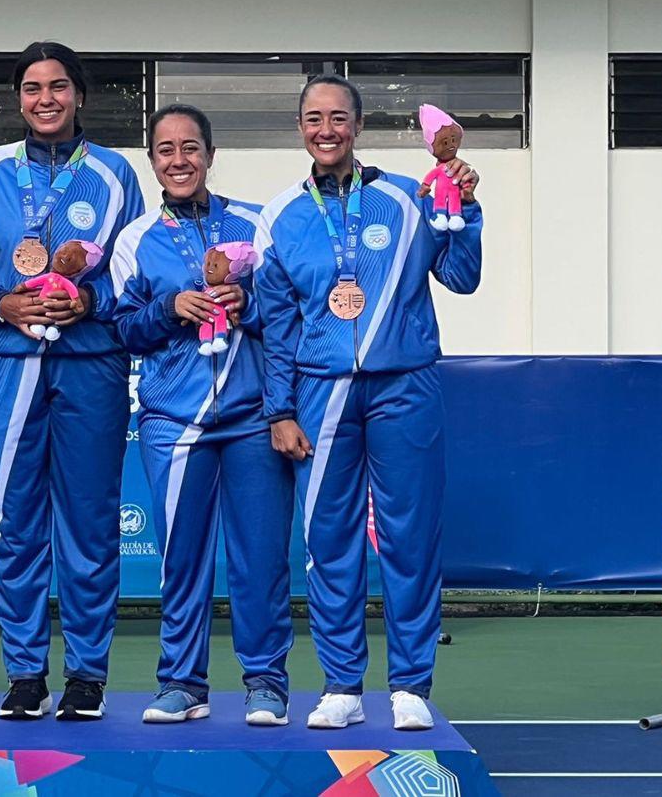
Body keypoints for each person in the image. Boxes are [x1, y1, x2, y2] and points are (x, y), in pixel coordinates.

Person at [254, 75, 482, 731]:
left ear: (358, 126)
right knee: (329, 541)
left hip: (405, 385)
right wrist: (279, 410)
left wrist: (466, 209)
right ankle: (342, 686)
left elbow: (462, 277)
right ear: (301, 128)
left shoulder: (409, 198)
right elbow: (277, 326)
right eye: (313, 118)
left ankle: (410, 684)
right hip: (320, 392)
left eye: (338, 118)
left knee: (411, 536)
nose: (325, 130)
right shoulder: (281, 217)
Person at [0, 41, 144, 722]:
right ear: (18, 99)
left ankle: (87, 675)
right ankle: (25, 673)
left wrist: (90, 301)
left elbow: (134, 267)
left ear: (80, 95)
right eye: (33, 88)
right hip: (7, 360)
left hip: (91, 362)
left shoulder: (116, 173)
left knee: (91, 520)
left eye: (58, 86)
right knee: (13, 521)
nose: (46, 99)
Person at [112, 105, 294, 726]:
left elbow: (286, 315)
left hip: (252, 419)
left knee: (260, 558)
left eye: (190, 147)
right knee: (181, 559)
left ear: (211, 156)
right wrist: (169, 308)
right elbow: (123, 330)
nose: (179, 160)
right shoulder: (135, 239)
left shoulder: (255, 224)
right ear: (152, 162)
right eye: (166, 150)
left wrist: (249, 304)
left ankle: (266, 683)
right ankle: (183, 683)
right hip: (173, 422)